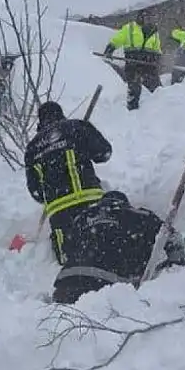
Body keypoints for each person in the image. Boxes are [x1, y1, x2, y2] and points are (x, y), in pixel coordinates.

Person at [51, 190, 185, 304]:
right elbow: (169, 235)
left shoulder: (82, 218)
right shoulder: (138, 216)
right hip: (105, 285)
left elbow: (67, 248)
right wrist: (176, 262)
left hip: (66, 283)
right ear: (125, 204)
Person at [25, 101, 112, 265]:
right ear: (61, 114)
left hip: (59, 212)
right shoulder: (77, 127)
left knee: (71, 260)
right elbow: (104, 153)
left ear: (40, 121)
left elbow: (36, 192)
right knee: (105, 245)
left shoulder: (32, 148)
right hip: (90, 200)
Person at [103, 11, 163, 110]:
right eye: (147, 18)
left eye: (151, 18)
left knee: (156, 87)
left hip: (149, 63)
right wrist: (111, 48)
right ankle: (132, 110)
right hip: (133, 61)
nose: (149, 21)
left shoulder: (154, 32)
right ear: (140, 18)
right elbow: (118, 38)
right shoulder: (130, 28)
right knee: (134, 86)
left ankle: (158, 109)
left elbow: (157, 48)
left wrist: (158, 59)